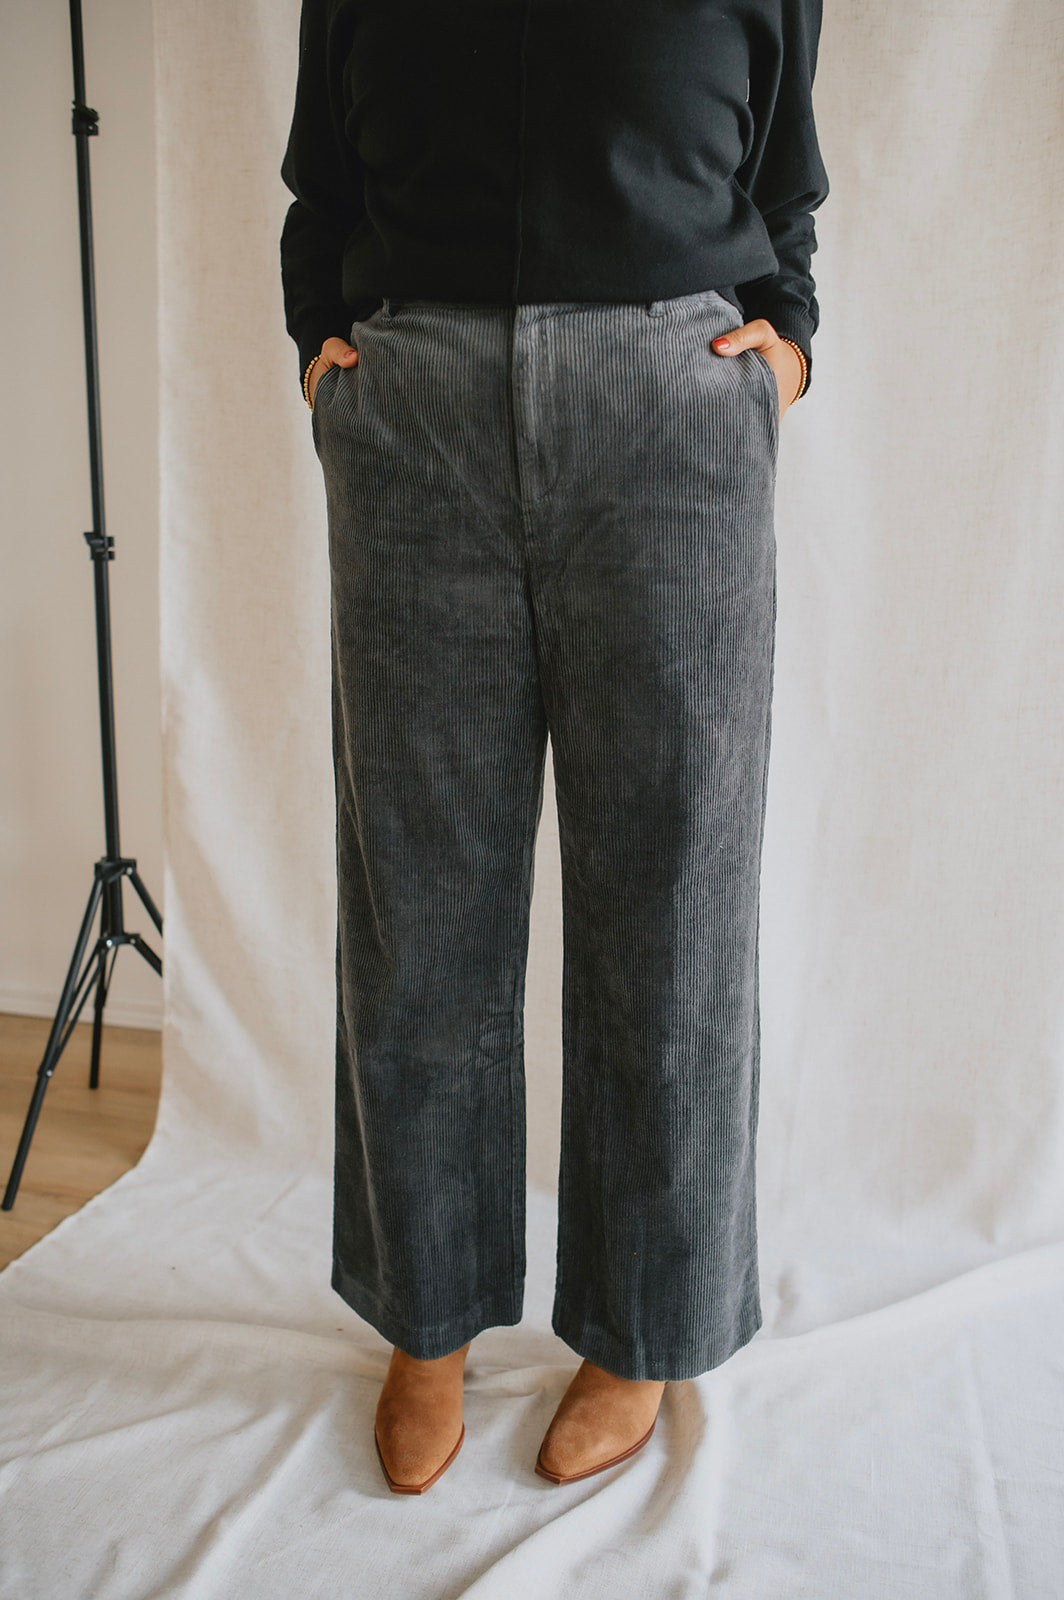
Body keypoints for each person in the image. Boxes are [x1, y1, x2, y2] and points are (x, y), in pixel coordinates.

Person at [280, 0, 829, 1494]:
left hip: (672, 407)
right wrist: (323, 352)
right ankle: (428, 1318)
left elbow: (785, 182)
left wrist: (784, 348)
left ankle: (642, 1331)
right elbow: (323, 185)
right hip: (417, 412)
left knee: (673, 893)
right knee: (419, 898)